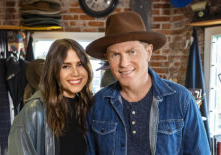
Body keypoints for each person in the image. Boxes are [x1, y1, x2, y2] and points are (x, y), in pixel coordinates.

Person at [85, 11, 210, 155]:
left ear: (149, 52)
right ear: (107, 58)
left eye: (132, 52)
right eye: (115, 54)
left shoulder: (182, 100)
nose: (124, 63)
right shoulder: (97, 104)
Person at [8, 39, 93, 155]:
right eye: (66, 66)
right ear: (53, 71)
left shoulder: (89, 107)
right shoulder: (33, 111)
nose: (76, 73)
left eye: (80, 64)